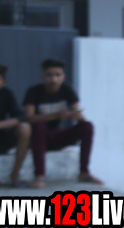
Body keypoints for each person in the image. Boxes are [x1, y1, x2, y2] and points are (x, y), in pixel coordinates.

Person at [22, 58, 102, 188]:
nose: (53, 79)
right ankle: (39, 176)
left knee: (87, 126)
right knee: (39, 126)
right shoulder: (34, 91)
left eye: (57, 75)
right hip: (37, 138)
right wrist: (55, 115)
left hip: (57, 136)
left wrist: (73, 115)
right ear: (43, 76)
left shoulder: (67, 90)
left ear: (63, 77)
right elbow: (28, 118)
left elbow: (80, 116)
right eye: (49, 75)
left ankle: (84, 172)